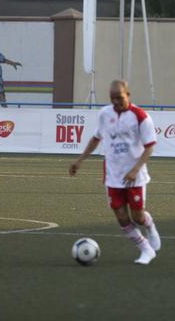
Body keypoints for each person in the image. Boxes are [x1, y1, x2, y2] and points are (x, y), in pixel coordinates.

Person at [69, 80, 161, 265]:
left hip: (135, 177)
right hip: (112, 175)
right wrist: (80, 160)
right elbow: (96, 139)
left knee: (138, 217)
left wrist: (135, 170)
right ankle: (145, 249)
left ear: (128, 95)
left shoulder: (140, 116)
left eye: (119, 97)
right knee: (121, 217)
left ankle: (150, 227)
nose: (116, 101)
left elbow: (150, 147)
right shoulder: (105, 114)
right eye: (112, 98)